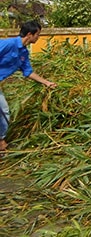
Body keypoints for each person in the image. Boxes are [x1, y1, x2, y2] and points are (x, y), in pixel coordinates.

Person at [0, 20, 57, 153]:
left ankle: (1, 141)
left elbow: (28, 72)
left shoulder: (24, 54)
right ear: (30, 34)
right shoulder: (8, 44)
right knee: (3, 111)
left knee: (4, 111)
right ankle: (1, 143)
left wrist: (46, 82)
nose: (38, 37)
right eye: (38, 34)